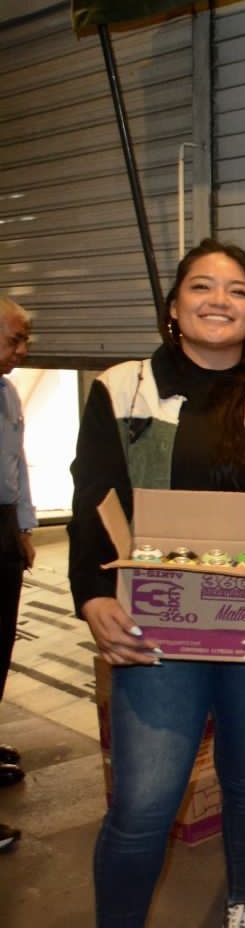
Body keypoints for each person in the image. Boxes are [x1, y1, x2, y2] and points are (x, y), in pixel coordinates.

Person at [68, 239, 245, 928]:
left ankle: (244, 910)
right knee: (145, 803)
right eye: (202, 286)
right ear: (174, 306)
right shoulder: (123, 388)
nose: (220, 299)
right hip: (155, 624)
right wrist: (91, 594)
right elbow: (93, 496)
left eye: (238, 290)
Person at [0, 297, 35, 853]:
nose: (24, 349)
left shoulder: (6, 392)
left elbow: (16, 463)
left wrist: (25, 525)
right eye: (15, 338)